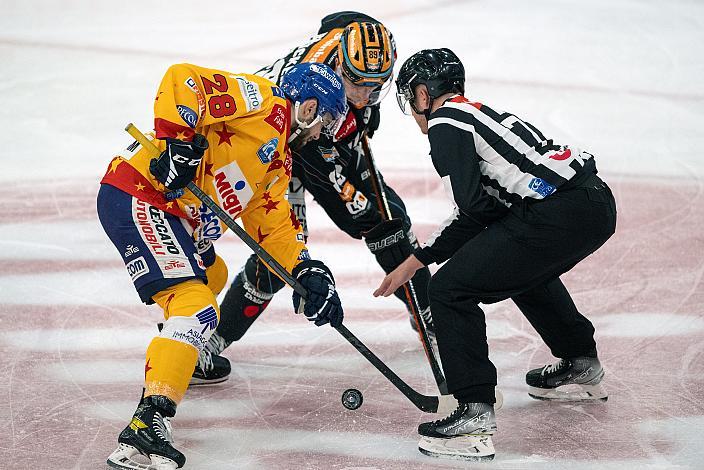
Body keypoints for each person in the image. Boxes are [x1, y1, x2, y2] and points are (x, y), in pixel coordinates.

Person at [98, 61, 347, 469]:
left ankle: (183, 356)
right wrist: (178, 142)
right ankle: (147, 425)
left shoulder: (278, 159)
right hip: (141, 193)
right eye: (327, 120)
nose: (324, 133)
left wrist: (305, 268)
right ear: (308, 107)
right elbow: (184, 79)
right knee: (197, 308)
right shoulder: (264, 101)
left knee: (214, 275)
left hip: (171, 211)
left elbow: (273, 223)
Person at [374, 48, 617, 461]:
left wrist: (424, 260)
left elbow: (472, 210)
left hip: (556, 213)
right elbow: (484, 211)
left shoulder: (445, 122)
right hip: (594, 203)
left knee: (449, 289)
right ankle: (581, 360)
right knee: (519, 270)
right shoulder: (476, 113)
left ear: (422, 93)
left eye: (411, 97)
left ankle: (473, 413)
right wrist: (418, 258)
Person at [194, 11, 435, 384]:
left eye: (377, 86)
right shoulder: (314, 92)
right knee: (292, 253)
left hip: (313, 129)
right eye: (357, 85)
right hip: (278, 147)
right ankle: (205, 343)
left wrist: (362, 113)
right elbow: (337, 189)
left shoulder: (352, 45)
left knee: (386, 218)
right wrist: (368, 216)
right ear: (339, 64)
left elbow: (338, 19)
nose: (366, 95)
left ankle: (430, 316)